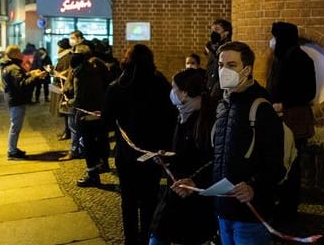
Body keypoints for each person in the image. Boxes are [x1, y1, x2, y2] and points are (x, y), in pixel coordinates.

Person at [176, 41, 285, 245]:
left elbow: (275, 165)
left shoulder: (262, 108)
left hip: (250, 215)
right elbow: (217, 157)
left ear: (247, 69)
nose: (224, 70)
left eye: (232, 65)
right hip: (223, 210)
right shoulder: (222, 106)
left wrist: (254, 187)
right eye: (220, 65)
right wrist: (195, 181)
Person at [103, 44, 176, 244]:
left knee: (128, 200)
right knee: (149, 199)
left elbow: (107, 121)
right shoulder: (160, 84)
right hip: (153, 154)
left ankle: (130, 240)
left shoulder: (117, 87)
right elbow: (171, 118)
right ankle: (146, 236)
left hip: (126, 153)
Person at [149, 68, 217, 245]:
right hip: (176, 188)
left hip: (194, 196)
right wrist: (168, 158)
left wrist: (195, 181)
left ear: (185, 93)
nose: (171, 93)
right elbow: (183, 152)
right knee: (158, 235)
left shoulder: (206, 120)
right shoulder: (183, 114)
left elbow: (213, 158)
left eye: (174, 88)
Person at [266, 21, 316, 221]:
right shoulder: (281, 58)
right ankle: (282, 204)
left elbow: (307, 91)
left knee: (291, 165)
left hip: (293, 121)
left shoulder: (299, 59)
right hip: (282, 119)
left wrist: (283, 103)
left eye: (275, 37)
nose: (272, 41)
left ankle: (288, 208)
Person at [64, 43, 110, 184]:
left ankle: (92, 175)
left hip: (86, 115)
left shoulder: (80, 75)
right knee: (96, 142)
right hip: (97, 112)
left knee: (88, 145)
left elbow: (79, 100)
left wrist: (68, 102)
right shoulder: (92, 70)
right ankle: (99, 166)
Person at [0, 45, 47, 160]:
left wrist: (31, 73)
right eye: (19, 52)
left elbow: (21, 78)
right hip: (16, 100)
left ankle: (13, 149)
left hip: (13, 99)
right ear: (14, 54)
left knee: (15, 126)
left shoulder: (8, 66)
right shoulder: (13, 68)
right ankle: (12, 151)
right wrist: (36, 77)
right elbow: (22, 84)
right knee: (15, 127)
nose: (21, 54)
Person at [50, 38, 73, 141]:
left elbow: (65, 72)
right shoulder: (65, 56)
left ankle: (68, 132)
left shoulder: (67, 57)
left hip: (62, 86)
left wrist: (55, 72)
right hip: (59, 85)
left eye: (59, 46)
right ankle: (67, 131)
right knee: (63, 110)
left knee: (65, 110)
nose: (58, 48)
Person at [205, 19, 232, 100]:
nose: (213, 32)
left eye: (217, 29)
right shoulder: (211, 49)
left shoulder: (229, 49)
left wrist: (216, 90)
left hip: (219, 94)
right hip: (209, 91)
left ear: (226, 33)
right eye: (212, 30)